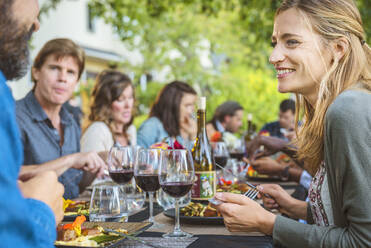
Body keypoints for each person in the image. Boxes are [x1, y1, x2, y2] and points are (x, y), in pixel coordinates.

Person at [214, 0, 371, 247]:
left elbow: (361, 242)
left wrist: (268, 223)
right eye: (275, 42)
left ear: (338, 48)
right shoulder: (347, 103)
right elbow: (349, 219)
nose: (273, 56)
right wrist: (297, 208)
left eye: (292, 42)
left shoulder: (347, 110)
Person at [0, 0, 64, 246]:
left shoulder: (71, 117)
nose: (36, 24)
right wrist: (40, 210)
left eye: (71, 73)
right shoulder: (13, 109)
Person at [16, 38, 106, 199]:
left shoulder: (71, 122)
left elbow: (75, 187)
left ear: (76, 81)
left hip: (73, 220)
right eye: (55, 68)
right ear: (36, 72)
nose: (63, 78)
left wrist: (99, 161)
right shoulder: (13, 116)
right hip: (33, 219)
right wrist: (70, 160)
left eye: (71, 72)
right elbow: (8, 176)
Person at [81, 70, 136, 152]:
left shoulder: (130, 130)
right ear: (106, 103)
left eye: (130, 97)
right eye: (120, 99)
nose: (128, 105)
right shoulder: (97, 131)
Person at [137, 81, 197, 148]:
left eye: (193, 104)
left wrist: (193, 136)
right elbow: (138, 155)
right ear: (172, 105)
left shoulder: (187, 127)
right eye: (187, 105)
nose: (193, 109)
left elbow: (197, 157)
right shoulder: (152, 126)